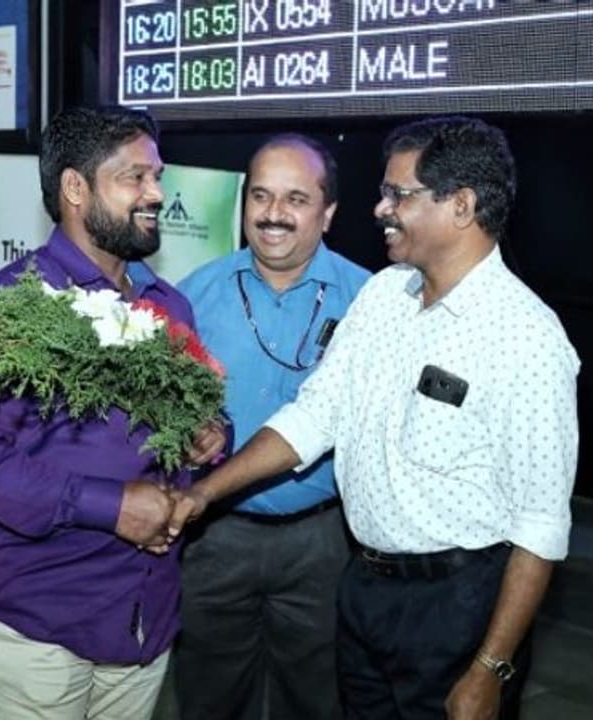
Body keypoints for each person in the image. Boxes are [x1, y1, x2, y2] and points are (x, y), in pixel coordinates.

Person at [168, 116, 580, 720]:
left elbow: (540, 527)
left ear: (461, 206)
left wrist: (490, 668)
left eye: (398, 195)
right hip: (363, 591)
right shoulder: (384, 296)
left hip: (456, 608)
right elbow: (314, 417)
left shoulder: (526, 338)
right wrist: (203, 493)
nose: (381, 208)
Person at [0, 106, 224, 720]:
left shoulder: (169, 306)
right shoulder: (7, 308)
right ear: (74, 188)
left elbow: (188, 431)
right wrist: (109, 505)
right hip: (37, 628)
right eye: (135, 177)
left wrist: (209, 437)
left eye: (157, 177)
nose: (156, 194)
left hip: (144, 623)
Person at [174, 134, 370, 720]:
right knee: (210, 697)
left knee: (316, 699)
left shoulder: (370, 300)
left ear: (328, 213)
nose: (273, 214)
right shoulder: (194, 295)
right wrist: (184, 433)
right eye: (260, 196)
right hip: (214, 537)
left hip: (324, 543)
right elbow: (160, 413)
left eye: (295, 199)